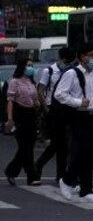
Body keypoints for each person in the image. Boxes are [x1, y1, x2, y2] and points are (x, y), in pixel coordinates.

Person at [56, 45, 93, 203]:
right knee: (82, 151)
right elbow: (60, 94)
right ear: (81, 57)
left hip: (91, 116)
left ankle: (84, 189)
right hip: (78, 116)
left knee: (90, 154)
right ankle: (70, 181)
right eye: (91, 55)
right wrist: (78, 102)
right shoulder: (72, 73)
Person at [34, 46, 76, 183]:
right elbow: (41, 90)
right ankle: (43, 166)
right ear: (60, 58)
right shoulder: (49, 71)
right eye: (66, 61)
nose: (67, 64)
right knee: (59, 143)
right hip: (53, 109)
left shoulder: (71, 71)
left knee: (62, 144)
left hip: (66, 108)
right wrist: (46, 109)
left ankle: (58, 173)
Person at [5, 58, 42, 186]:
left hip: (30, 114)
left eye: (32, 65)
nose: (30, 68)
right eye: (28, 65)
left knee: (27, 147)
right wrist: (10, 119)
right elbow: (10, 100)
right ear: (22, 67)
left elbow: (35, 98)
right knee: (25, 147)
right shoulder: (14, 82)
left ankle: (11, 171)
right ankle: (31, 176)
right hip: (20, 114)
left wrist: (37, 102)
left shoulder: (31, 82)